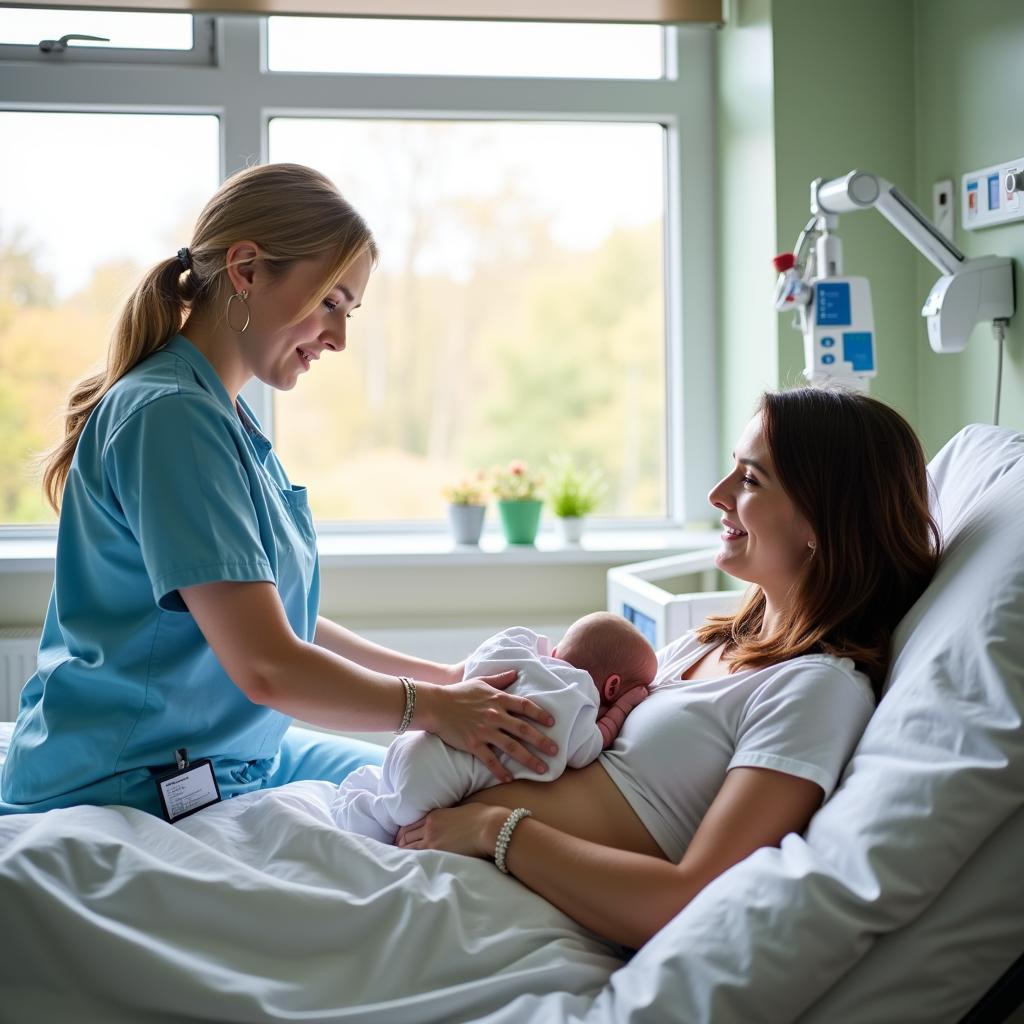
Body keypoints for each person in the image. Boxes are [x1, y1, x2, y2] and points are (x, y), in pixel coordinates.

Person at [0, 162, 559, 819]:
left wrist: (448, 680)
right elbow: (267, 664)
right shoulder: (171, 417)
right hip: (131, 778)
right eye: (331, 303)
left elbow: (272, 615)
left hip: (226, 754)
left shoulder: (216, 414)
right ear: (245, 270)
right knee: (444, 803)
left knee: (454, 786)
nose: (340, 338)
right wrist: (432, 708)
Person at [395, 386, 942, 951]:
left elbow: (689, 900)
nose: (717, 494)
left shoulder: (816, 691)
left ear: (821, 521)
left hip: (491, 901)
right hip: (442, 853)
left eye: (750, 480)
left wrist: (493, 830)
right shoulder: (706, 643)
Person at [333, 613, 656, 843]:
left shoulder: (517, 653)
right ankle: (362, 829)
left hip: (412, 742)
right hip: (430, 782)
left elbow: (475, 664)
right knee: (399, 815)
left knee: (385, 794)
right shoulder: (576, 699)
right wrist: (625, 708)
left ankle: (356, 805)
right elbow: (585, 751)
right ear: (612, 687)